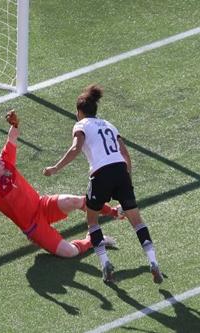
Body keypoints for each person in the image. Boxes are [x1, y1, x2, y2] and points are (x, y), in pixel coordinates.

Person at [43, 84, 163, 284]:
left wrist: (55, 168)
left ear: (79, 112)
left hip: (100, 174)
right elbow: (125, 154)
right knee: (137, 221)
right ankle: (153, 260)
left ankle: (105, 263)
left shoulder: (81, 125)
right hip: (120, 171)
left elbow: (75, 149)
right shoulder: (109, 125)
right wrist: (127, 185)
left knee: (92, 220)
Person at [0, 110, 119, 258]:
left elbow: (12, 138)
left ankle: (113, 212)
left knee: (75, 201)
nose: (1, 160)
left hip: (42, 205)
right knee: (70, 252)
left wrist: (15, 125)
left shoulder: (6, 162)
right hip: (34, 227)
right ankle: (92, 240)